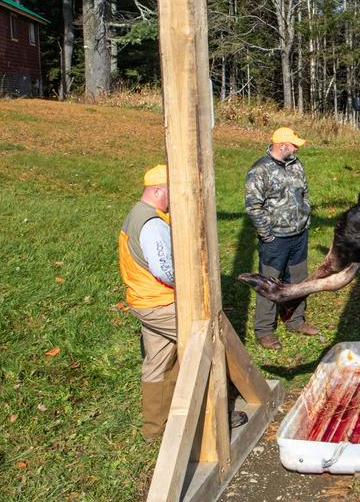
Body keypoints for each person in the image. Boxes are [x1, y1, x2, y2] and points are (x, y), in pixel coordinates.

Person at [117, 164, 247, 438]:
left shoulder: (136, 215)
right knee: (208, 349)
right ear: (156, 190)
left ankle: (156, 427)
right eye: (171, 193)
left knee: (158, 361)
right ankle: (213, 418)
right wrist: (193, 286)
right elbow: (164, 268)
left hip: (144, 301)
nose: (174, 199)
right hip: (162, 303)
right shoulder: (151, 223)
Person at [244, 127, 321, 350]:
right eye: (294, 144)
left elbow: (304, 193)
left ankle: (296, 320)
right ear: (282, 145)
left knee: (299, 279)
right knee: (269, 282)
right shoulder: (260, 170)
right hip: (275, 239)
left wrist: (305, 220)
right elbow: (253, 207)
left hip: (299, 235)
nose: (297, 148)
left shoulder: (296, 165)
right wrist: (267, 234)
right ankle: (265, 330)